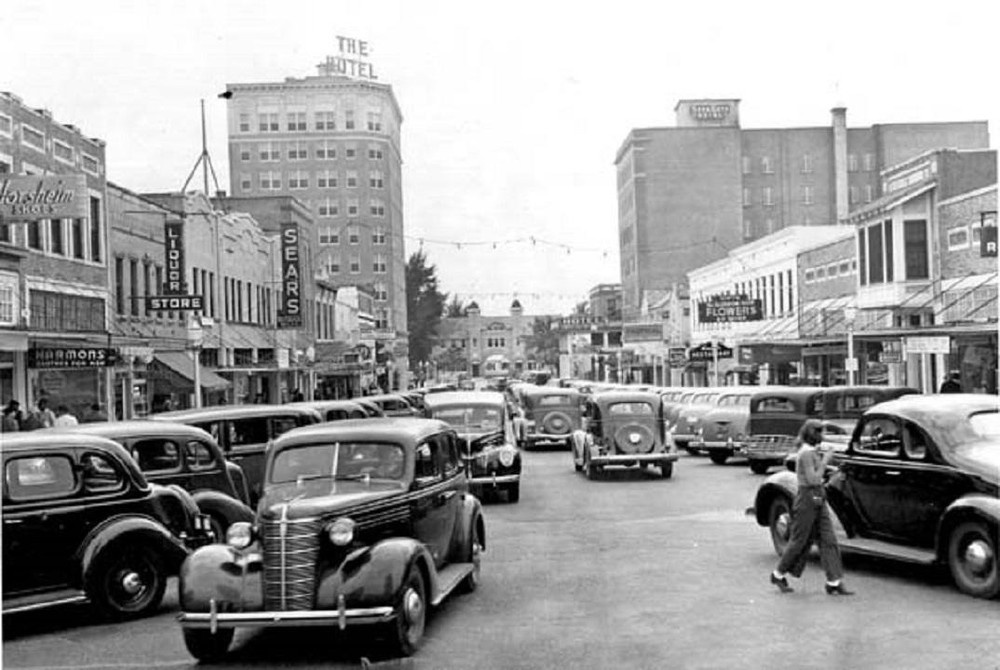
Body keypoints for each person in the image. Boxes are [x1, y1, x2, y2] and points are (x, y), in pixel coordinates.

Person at [771, 419, 854, 596]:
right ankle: (778, 574)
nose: (823, 437)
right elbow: (813, 479)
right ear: (814, 434)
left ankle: (834, 581)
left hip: (817, 497)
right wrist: (826, 460)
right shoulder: (806, 453)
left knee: (829, 539)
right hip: (807, 498)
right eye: (821, 433)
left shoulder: (810, 452)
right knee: (799, 540)